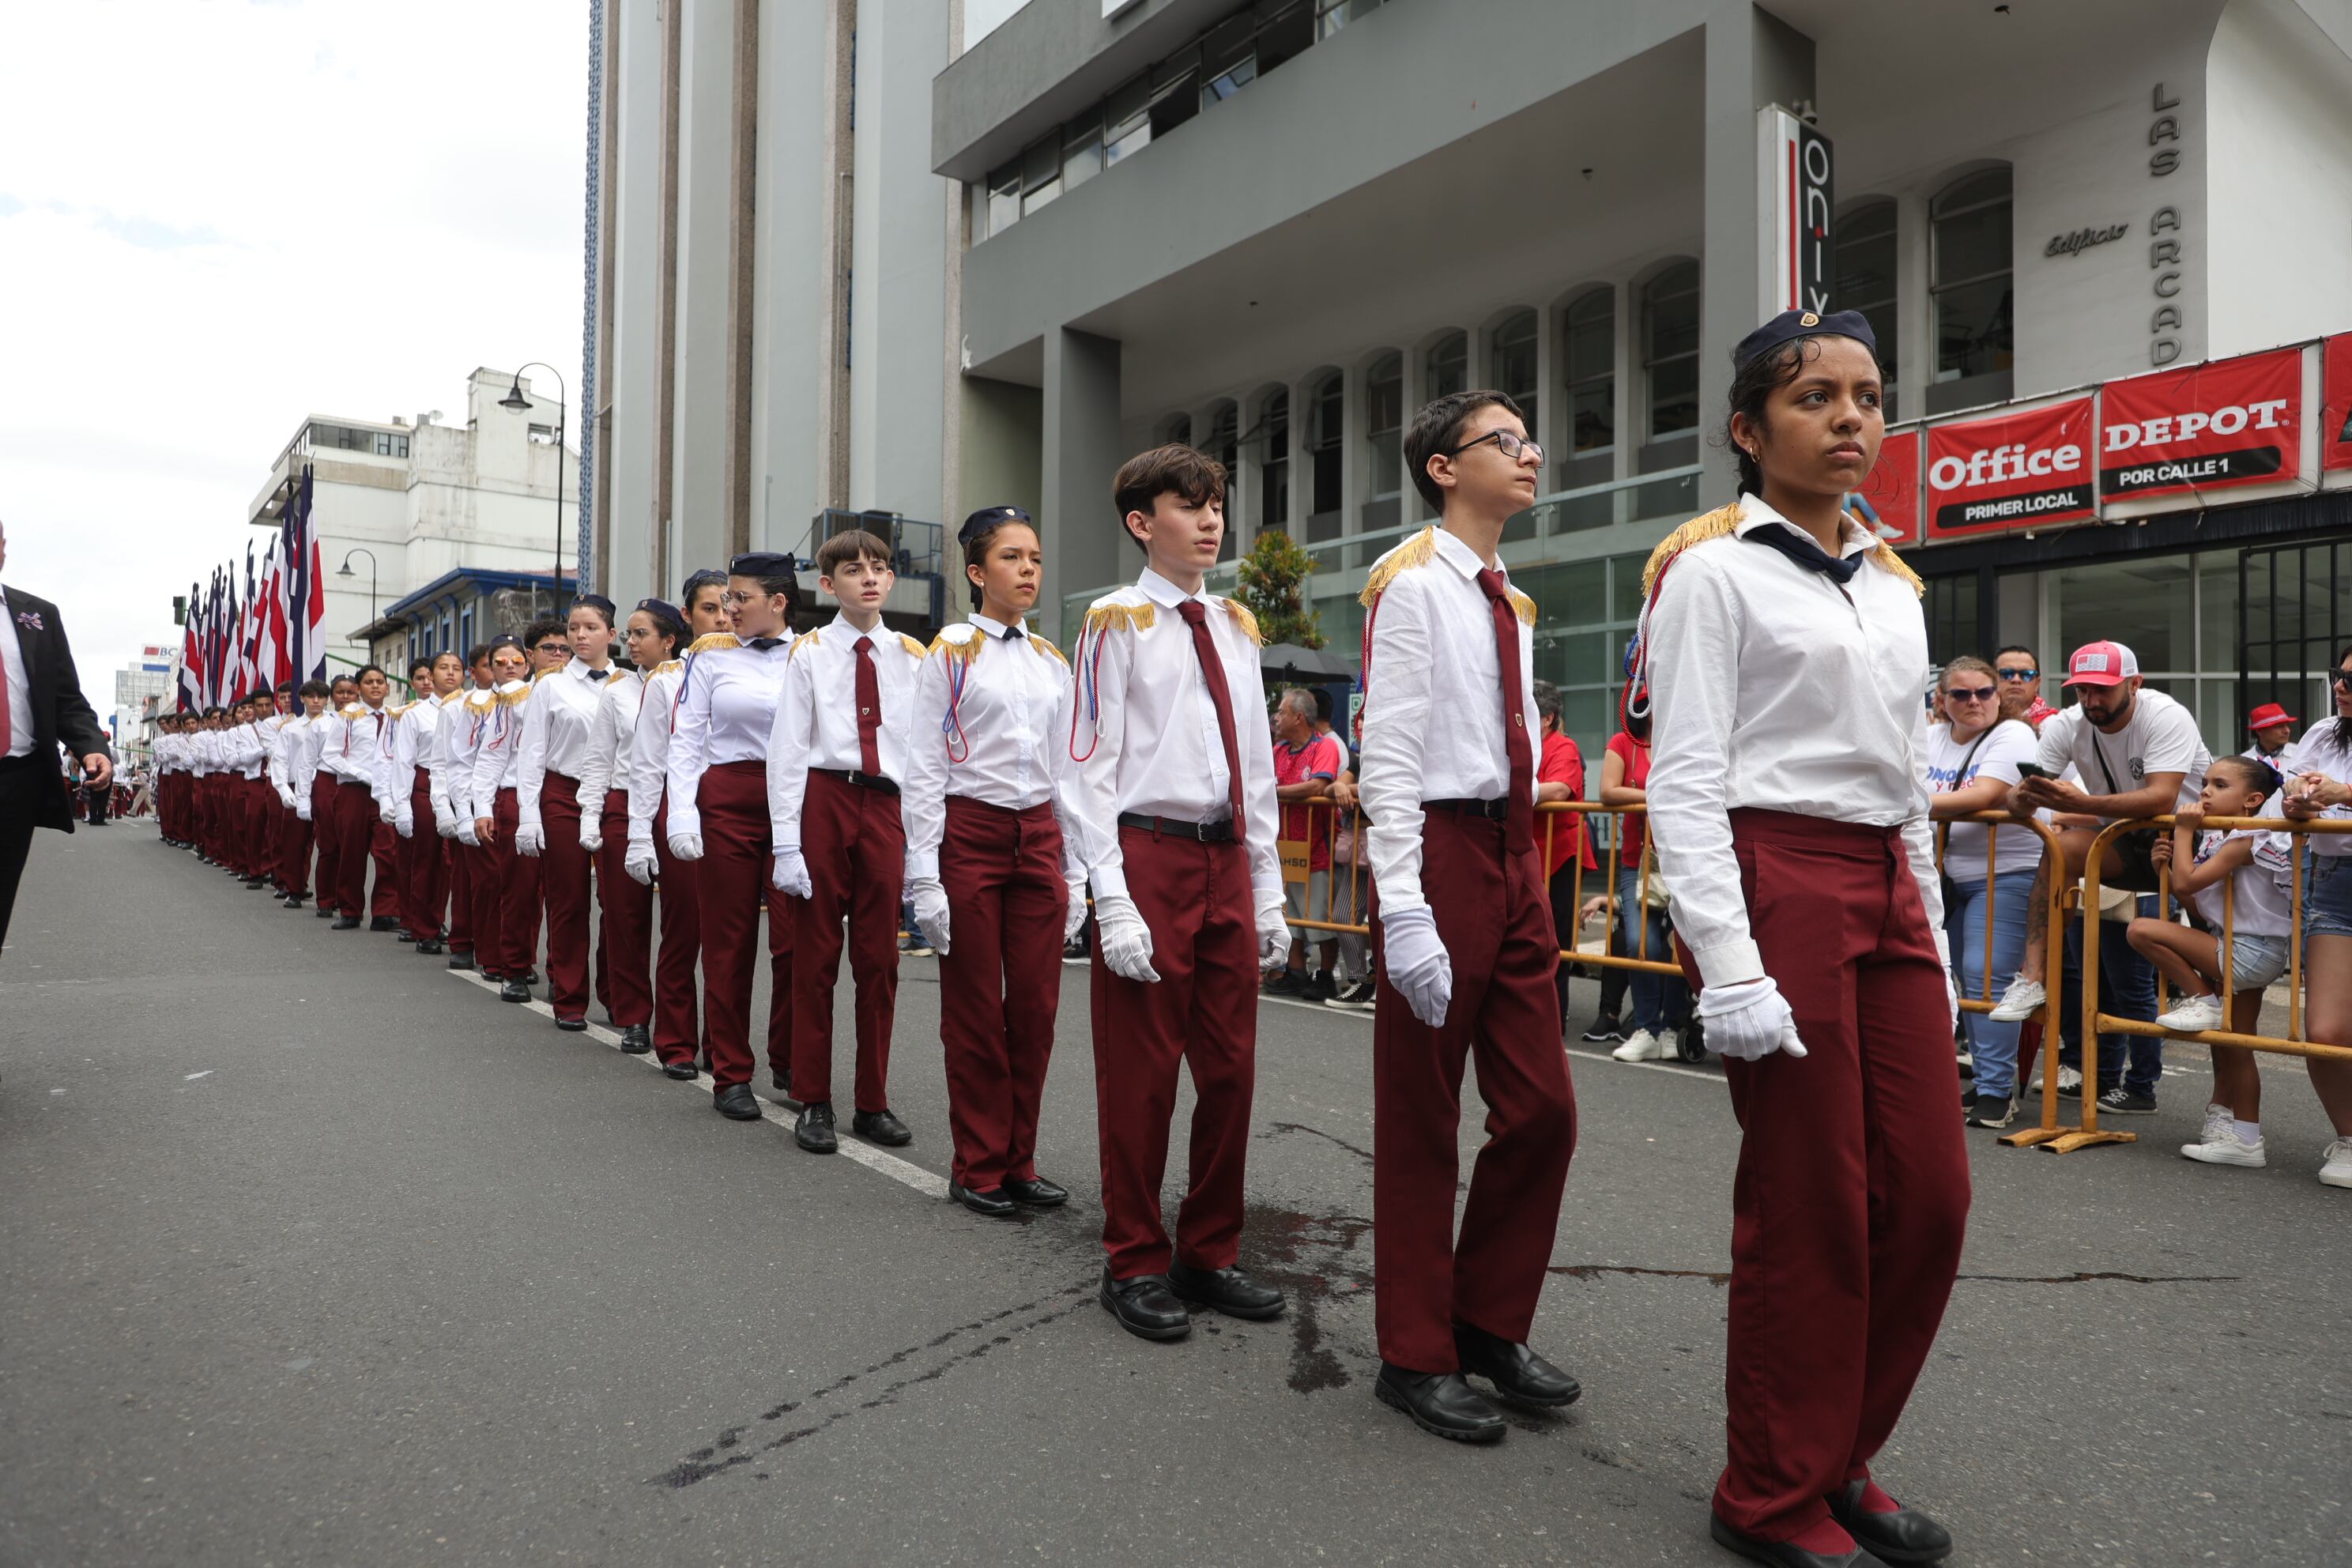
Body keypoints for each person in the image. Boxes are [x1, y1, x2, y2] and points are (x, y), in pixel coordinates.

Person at [1642, 309, 1965, 1568]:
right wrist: (1728, 964)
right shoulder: (1712, 572)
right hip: (1775, 875)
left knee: (1929, 1197)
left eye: (1867, 396)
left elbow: (1907, 785)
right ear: (1748, 429)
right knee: (1810, 1199)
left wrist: (1935, 951)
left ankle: (1842, 1457)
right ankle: (1772, 1491)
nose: (1849, 418)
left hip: (1886, 881)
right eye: (1814, 397)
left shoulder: (1895, 586)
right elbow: (1684, 779)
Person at [1355, 390, 1581, 1444]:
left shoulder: (1512, 601)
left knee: (1543, 1110)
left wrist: (1520, 863)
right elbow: (1392, 752)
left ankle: (1486, 1319)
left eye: (1529, 440)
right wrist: (1403, 907)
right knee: (1422, 1115)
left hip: (1512, 851)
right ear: (1443, 468)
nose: (1529, 454)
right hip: (1440, 849)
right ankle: (1413, 1351)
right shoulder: (1410, 585)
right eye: (1504, 441)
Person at [1064, 443, 1290, 1342]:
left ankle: (1209, 1248)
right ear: (1140, 522)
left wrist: (1267, 888)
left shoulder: (1235, 625)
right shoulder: (1115, 621)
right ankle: (1133, 1258)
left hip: (1225, 855)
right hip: (1148, 851)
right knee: (1143, 1074)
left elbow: (1256, 765)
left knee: (1230, 1071)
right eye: (1189, 506)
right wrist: (1110, 897)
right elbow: (1087, 766)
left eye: (1216, 506)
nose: (1209, 521)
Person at [902, 506, 1091, 1216]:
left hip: (1038, 836)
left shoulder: (1052, 661)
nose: (1028, 570)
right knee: (977, 1008)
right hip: (971, 833)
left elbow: (1069, 772)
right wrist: (925, 876)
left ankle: (1021, 1160)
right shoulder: (951, 652)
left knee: (1036, 1010)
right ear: (978, 573)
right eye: (1012, 558)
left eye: (1035, 558)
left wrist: (1077, 871)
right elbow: (924, 765)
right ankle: (977, 1164)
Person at [1999, 641, 2211, 1116]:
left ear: (2135, 684)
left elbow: (2161, 797)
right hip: (2120, 841)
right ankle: (2032, 978)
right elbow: (2016, 801)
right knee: (2061, 856)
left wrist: (2080, 803)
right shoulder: (2067, 724)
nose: (2091, 700)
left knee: (2178, 979)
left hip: (2189, 843)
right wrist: (2026, 796)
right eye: (2082, 691)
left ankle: (2206, 1100)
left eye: (2102, 690)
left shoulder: (2165, 714)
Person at [768, 531, 922, 1152]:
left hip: (885, 804)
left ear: (892, 579)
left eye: (880, 568)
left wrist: (923, 840)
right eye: (855, 570)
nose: (870, 578)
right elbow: (787, 749)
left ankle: (872, 1101)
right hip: (826, 798)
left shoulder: (912, 655)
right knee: (816, 956)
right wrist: (786, 842)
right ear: (829, 584)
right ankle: (814, 1097)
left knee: (880, 961)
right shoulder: (809, 652)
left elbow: (922, 753)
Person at [667, 554, 799, 1121]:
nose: (729, 609)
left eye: (741, 598)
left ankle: (792, 1057)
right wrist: (681, 814)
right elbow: (687, 737)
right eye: (726, 599)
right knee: (729, 939)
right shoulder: (709, 655)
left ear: (778, 602)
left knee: (797, 940)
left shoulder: (812, 654)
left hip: (796, 800)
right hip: (728, 796)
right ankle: (731, 1071)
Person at [2131, 756, 2296, 1167]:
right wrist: (2165, 866)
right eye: (2205, 782)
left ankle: (2203, 1000)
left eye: (2220, 785)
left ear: (2252, 800)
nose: (2205, 791)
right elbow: (2199, 906)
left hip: (2249, 951)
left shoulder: (2248, 838)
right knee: (2236, 1046)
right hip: (2244, 946)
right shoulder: (2222, 837)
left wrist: (2182, 831)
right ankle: (2246, 1139)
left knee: (2140, 930)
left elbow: (2189, 884)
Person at [1921, 656, 2041, 1128]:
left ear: (1997, 696)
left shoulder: (2013, 734)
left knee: (1985, 974)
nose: (1974, 702)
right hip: (1949, 876)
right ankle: (1988, 1080)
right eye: (1961, 694)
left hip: (2008, 870)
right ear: (1942, 701)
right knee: (1962, 978)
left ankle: (1996, 1091)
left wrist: (1908, 804)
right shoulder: (1931, 736)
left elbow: (1985, 795)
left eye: (1984, 692)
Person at [628, 571, 732, 1080]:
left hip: (739, 809)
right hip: (683, 806)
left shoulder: (759, 667)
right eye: (710, 609)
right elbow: (648, 764)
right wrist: (639, 834)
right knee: (684, 929)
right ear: (688, 617)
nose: (723, 618)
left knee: (730, 939)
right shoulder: (668, 680)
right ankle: (675, 1040)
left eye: (730, 606)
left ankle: (724, 1046)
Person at [0, 522, 113, 956]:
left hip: (16, 782)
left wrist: (92, 748)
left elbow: (65, 699)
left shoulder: (37, 616)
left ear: (3, 548)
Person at [515, 596, 622, 1031]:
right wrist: (528, 813)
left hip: (614, 795)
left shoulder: (629, 683)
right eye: (574, 627)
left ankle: (618, 996)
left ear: (611, 634)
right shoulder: (549, 685)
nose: (580, 636)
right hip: (563, 794)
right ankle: (570, 998)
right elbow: (531, 752)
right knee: (568, 899)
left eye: (591, 628)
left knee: (617, 902)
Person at [2278, 645, 2352, 1189]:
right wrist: (2298, 801)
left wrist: (2343, 792)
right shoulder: (2326, 732)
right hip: (2334, 881)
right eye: (2339, 676)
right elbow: (2290, 792)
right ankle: (2349, 1137)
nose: (2341, 687)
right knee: (2325, 1030)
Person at [1598, 706, 1690, 1062]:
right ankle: (1647, 1028)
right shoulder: (1623, 743)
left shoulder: (1684, 740)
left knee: (1682, 944)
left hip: (1684, 858)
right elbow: (1608, 792)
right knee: (1640, 942)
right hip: (1637, 864)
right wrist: (1657, 798)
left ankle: (1671, 1026)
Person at [383, 651, 464, 953]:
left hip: (461, 785)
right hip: (425, 783)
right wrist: (401, 804)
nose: (451, 673)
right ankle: (424, 927)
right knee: (428, 859)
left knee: (454, 864)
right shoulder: (415, 714)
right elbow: (403, 760)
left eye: (457, 668)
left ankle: (443, 920)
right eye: (443, 668)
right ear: (431, 675)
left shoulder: (472, 706)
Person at [1268, 688, 1344, 1001]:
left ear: (1299, 717)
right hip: (1285, 848)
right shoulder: (1279, 749)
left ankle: (1325, 975)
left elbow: (1317, 785)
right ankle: (1296, 972)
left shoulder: (1324, 746)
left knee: (1318, 917)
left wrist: (1276, 792)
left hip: (1316, 849)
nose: (1277, 718)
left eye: (1282, 712)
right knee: (1291, 913)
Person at [1532, 680, 1600, 1027]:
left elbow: (1559, 790)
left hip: (1559, 853)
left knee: (1555, 936)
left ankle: (1554, 1017)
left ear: (1547, 718)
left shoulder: (1564, 746)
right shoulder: (1524, 746)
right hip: (1530, 851)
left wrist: (1513, 790)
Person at [315, 666, 399, 932]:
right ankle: (350, 910)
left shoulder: (396, 716)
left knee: (388, 852)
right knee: (352, 852)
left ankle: (385, 911)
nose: (375, 686)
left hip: (386, 793)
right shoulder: (349, 716)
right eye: (368, 682)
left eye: (380, 682)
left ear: (387, 687)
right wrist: (360, 773)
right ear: (359, 689)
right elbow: (331, 754)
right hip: (355, 790)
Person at [430, 644, 496, 972]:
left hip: (505, 798)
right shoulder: (458, 707)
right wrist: (445, 808)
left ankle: (501, 950)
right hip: (466, 798)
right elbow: (442, 762)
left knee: (506, 883)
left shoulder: (522, 702)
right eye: (489, 665)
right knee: (466, 878)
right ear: (474, 672)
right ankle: (463, 941)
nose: (499, 670)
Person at [270, 680, 331, 910]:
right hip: (296, 786)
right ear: (302, 699)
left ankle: (329, 895)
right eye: (311, 696)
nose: (316, 701)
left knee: (329, 843)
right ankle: (294, 888)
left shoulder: (334, 724)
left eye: (321, 697)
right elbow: (280, 760)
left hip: (325, 785)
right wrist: (283, 789)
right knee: (295, 843)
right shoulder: (291, 728)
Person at [303, 675, 359, 918]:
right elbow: (307, 762)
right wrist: (303, 797)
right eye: (340, 692)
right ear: (332, 697)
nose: (345, 697)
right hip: (328, 781)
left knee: (352, 846)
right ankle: (326, 898)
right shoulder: (320, 724)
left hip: (356, 783)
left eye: (350, 692)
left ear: (357, 693)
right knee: (329, 843)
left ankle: (348, 899)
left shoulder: (365, 720)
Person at [1994, 646, 2055, 730]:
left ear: (2037, 684)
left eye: (2026, 674)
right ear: (1993, 680)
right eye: (2006, 674)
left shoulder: (2053, 725)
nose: (2016, 680)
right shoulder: (1980, 720)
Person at [2244, 701, 2297, 766]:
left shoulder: (2300, 755)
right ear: (2259, 731)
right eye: (2279, 727)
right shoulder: (2244, 762)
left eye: (2287, 726)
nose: (2287, 731)